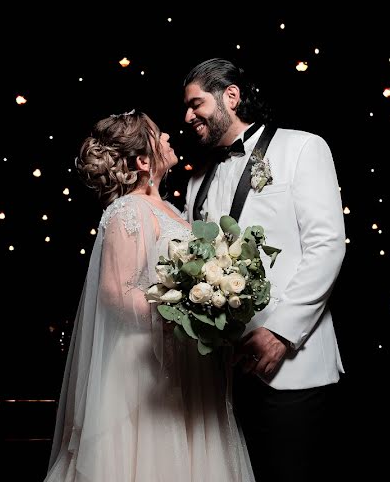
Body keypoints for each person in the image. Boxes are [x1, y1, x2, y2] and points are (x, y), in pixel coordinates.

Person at [44, 110, 256, 481]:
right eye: (159, 136)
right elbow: (116, 292)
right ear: (143, 162)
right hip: (146, 366)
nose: (168, 139)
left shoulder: (170, 208)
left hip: (185, 362)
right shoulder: (127, 210)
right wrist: (185, 310)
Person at [182, 58, 346, 482]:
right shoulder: (197, 178)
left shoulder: (302, 147)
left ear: (230, 96)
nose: (187, 116)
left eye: (195, 103)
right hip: (222, 378)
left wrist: (282, 333)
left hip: (294, 367)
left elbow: (326, 246)